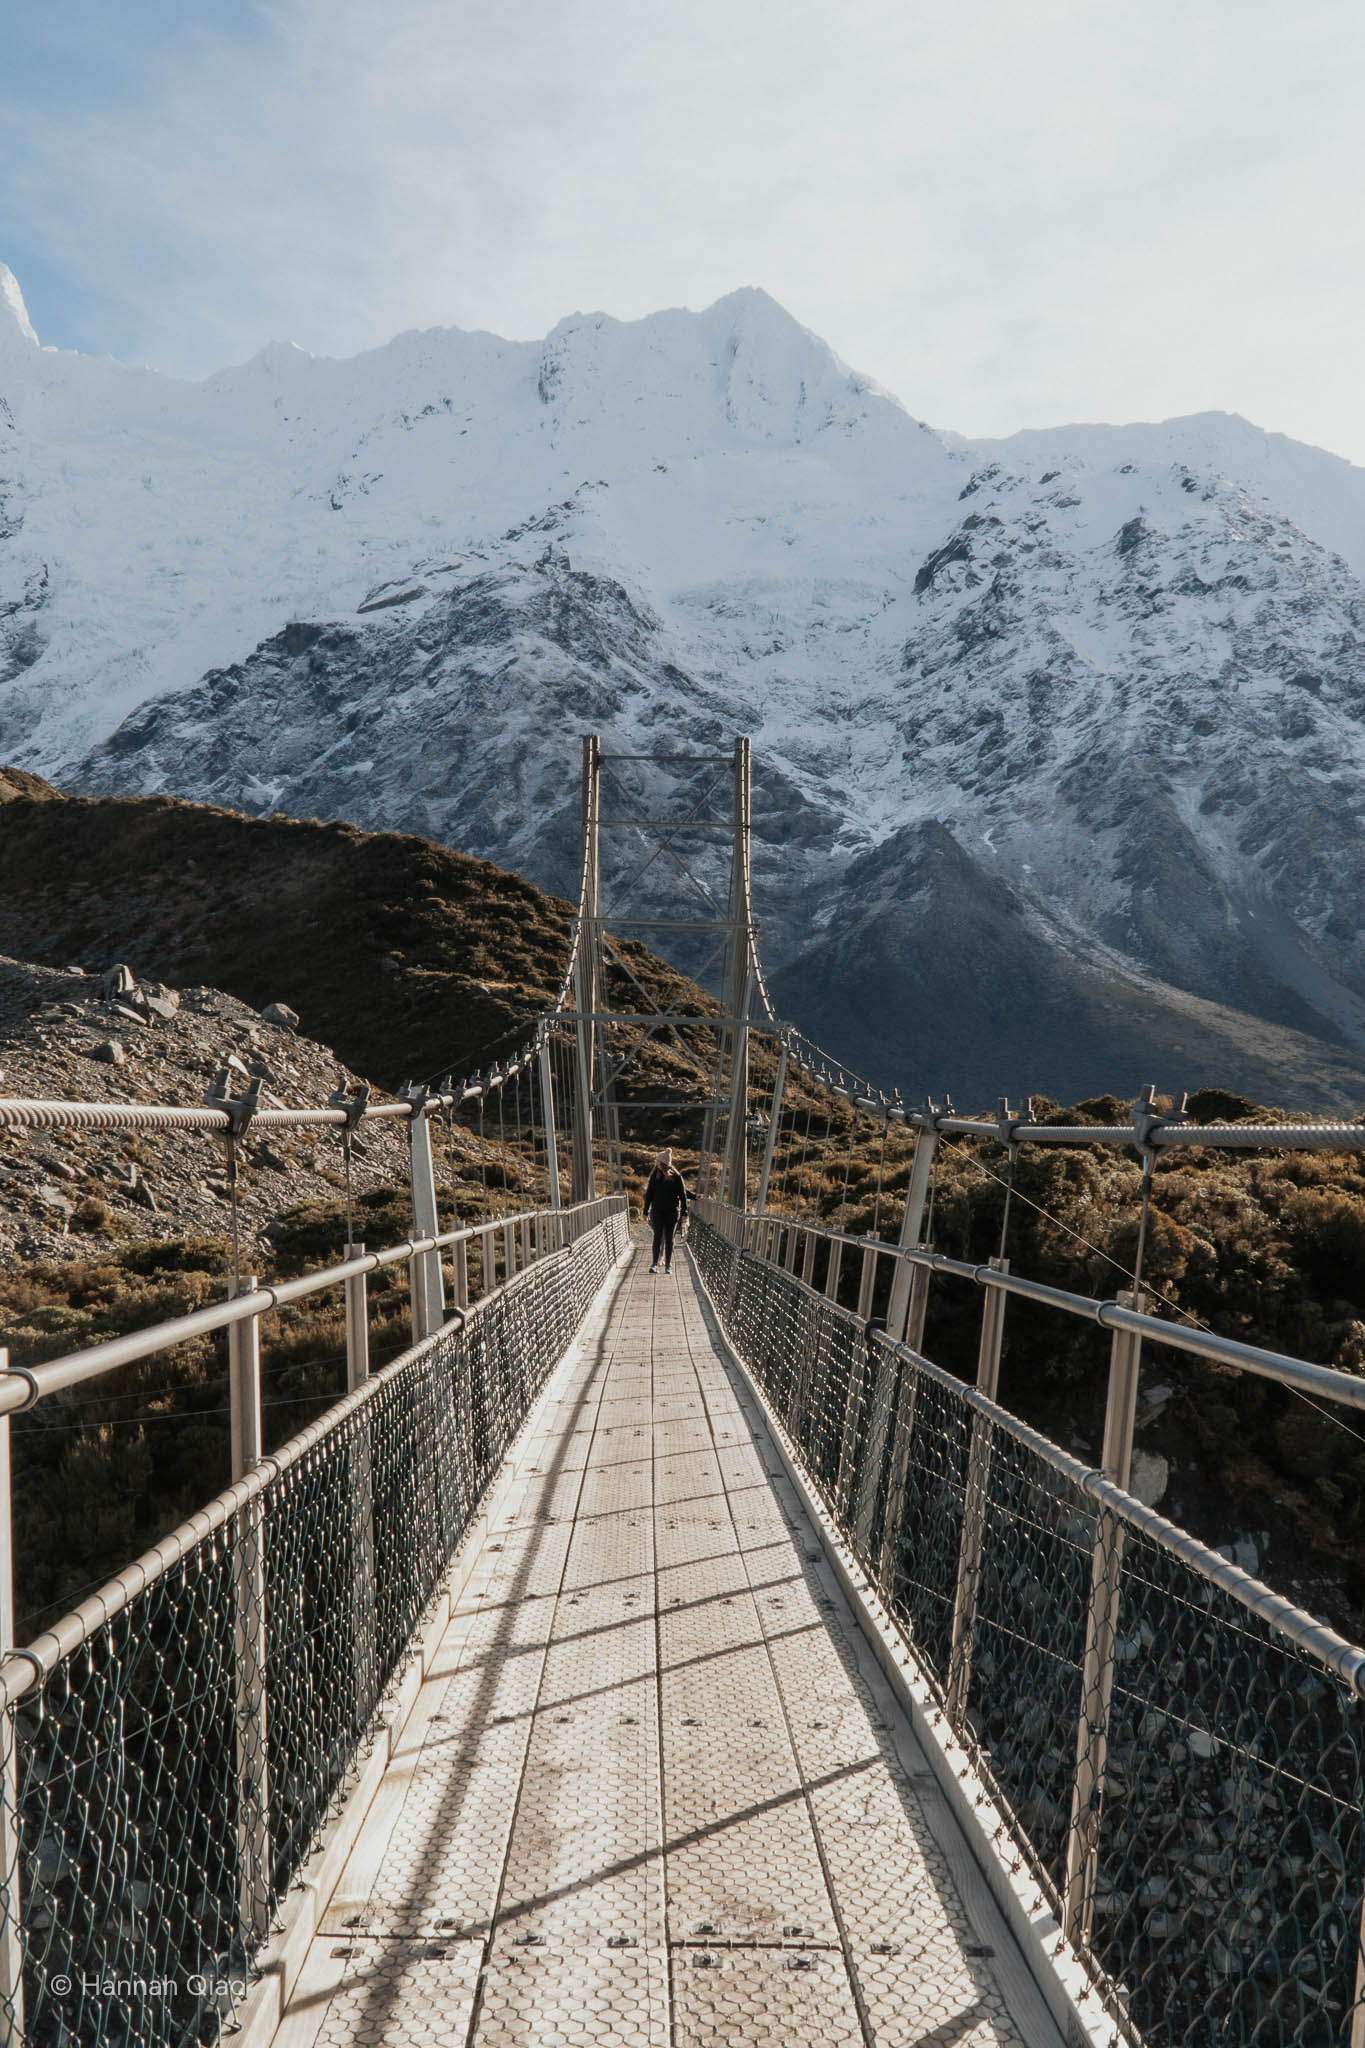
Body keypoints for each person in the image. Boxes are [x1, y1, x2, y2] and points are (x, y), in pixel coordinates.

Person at [643, 1148, 688, 1274]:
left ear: (662, 1162)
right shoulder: (654, 1176)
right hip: (657, 1212)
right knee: (657, 1236)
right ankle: (654, 1264)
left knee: (669, 1239)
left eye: (657, 1160)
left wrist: (684, 1212)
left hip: (672, 1212)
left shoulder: (677, 1178)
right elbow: (649, 1194)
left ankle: (668, 1265)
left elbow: (683, 1195)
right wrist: (646, 1210)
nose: (656, 1162)